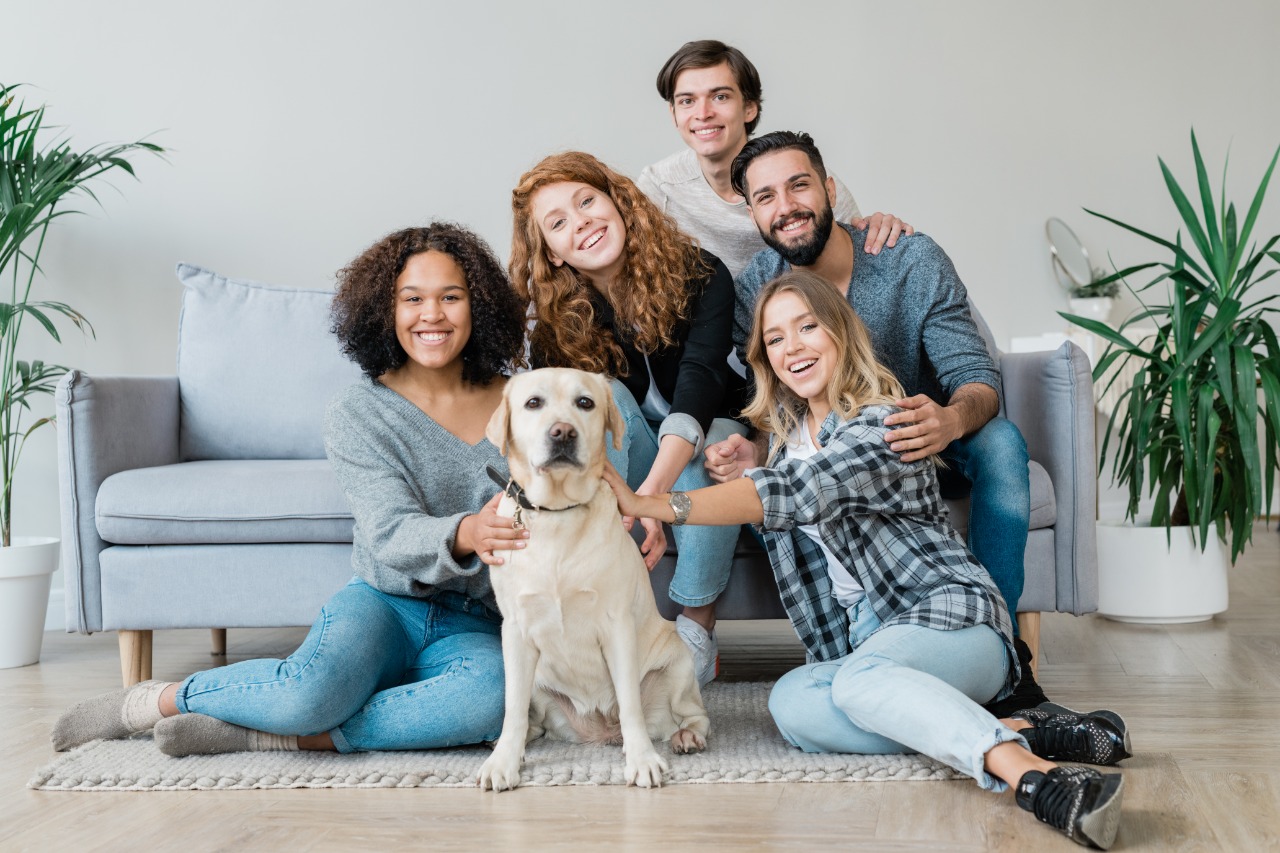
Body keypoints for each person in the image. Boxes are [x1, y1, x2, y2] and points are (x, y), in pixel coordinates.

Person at [605, 272, 1128, 850]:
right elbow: (786, 471)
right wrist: (755, 455)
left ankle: (1039, 780)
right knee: (792, 704)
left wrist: (647, 501)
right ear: (765, 359)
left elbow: (791, 492)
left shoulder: (885, 422)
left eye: (808, 327)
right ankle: (1022, 729)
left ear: (842, 332)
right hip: (866, 641)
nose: (793, 346)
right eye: (775, 338)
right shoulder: (785, 441)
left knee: (860, 683)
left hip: (950, 619)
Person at [51, 223, 531, 756]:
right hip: (385, 602)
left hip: (479, 620)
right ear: (384, 311)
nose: (432, 315)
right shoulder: (359, 411)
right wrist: (467, 531)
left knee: (492, 702)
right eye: (411, 299)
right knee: (308, 691)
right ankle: (160, 700)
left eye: (451, 297)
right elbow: (388, 530)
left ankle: (266, 736)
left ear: (479, 306)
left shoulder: (525, 401)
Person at [727, 129, 1050, 719]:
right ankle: (868, 647)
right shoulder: (757, 285)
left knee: (1002, 442)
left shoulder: (907, 258)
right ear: (751, 212)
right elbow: (764, 395)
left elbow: (978, 377)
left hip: (917, 440)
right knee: (764, 497)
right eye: (765, 197)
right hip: (833, 464)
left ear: (829, 190)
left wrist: (951, 419)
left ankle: (1002, 658)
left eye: (799, 186)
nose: (786, 207)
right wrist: (752, 450)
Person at [510, 151, 747, 687]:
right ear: (553, 253)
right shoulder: (556, 325)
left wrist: (653, 501)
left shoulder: (701, 273)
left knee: (715, 459)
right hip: (629, 451)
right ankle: (606, 627)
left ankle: (694, 631)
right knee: (600, 393)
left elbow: (702, 379)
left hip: (713, 427)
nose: (582, 223)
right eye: (559, 223)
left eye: (587, 201)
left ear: (618, 199)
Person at [637, 38, 912, 278]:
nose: (703, 113)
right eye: (687, 101)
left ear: (749, 109)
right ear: (673, 114)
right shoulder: (658, 187)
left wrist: (879, 231)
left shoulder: (805, 180)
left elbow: (855, 256)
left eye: (720, 97)